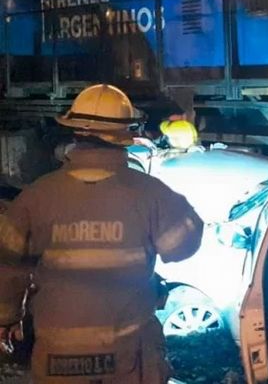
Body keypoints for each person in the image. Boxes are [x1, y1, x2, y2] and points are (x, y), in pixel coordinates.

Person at [0, 83, 204, 383]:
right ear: (125, 135)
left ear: (75, 133)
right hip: (127, 357)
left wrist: (7, 319)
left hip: (58, 358)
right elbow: (183, 247)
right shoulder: (150, 194)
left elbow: (7, 267)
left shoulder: (35, 196)